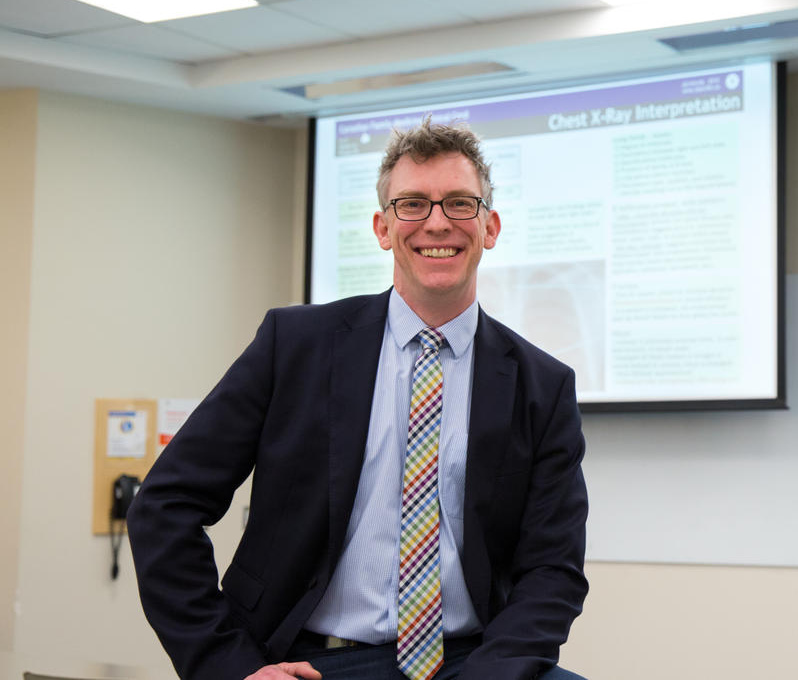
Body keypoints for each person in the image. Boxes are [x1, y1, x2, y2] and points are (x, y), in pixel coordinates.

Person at [128, 117, 589, 680]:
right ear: (382, 226)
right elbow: (163, 507)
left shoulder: (542, 386)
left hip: (472, 661)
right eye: (413, 204)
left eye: (460, 204)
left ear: (489, 226)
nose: (437, 223)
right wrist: (229, 666)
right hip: (313, 660)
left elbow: (553, 569)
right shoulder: (293, 346)